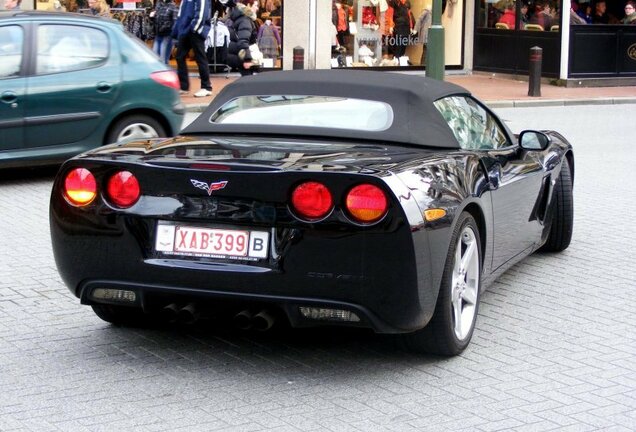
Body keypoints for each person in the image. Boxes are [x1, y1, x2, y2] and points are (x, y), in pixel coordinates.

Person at [172, 0, 213, 97]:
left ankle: (206, 87)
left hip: (194, 30)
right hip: (186, 30)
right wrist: (177, 30)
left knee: (200, 58)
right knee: (179, 56)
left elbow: (203, 12)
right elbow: (180, 14)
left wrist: (194, 28)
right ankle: (184, 86)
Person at [223, 0, 260, 75]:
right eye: (255, 5)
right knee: (247, 81)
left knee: (246, 81)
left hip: (237, 53)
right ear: (249, 5)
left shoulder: (240, 17)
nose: (257, 8)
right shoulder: (245, 20)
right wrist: (247, 59)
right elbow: (243, 41)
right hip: (242, 56)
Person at [152, 0, 178, 64]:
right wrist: (151, 17)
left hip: (167, 35)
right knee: (154, 57)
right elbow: (155, 19)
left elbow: (175, 23)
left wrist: (175, 39)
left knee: (163, 60)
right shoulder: (158, 4)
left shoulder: (173, 6)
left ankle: (164, 72)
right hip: (158, 35)